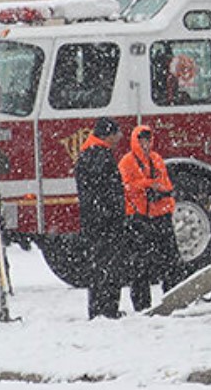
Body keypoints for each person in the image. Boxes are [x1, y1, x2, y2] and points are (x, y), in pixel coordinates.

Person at [117, 124, 178, 312]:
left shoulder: (157, 159)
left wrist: (161, 190)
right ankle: (142, 305)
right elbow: (126, 187)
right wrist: (149, 185)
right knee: (139, 265)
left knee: (170, 261)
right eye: (142, 140)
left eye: (148, 140)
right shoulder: (126, 162)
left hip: (160, 214)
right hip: (139, 217)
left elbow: (166, 183)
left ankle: (172, 297)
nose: (145, 144)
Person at [74, 117, 128, 319]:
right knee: (110, 265)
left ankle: (98, 307)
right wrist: (114, 213)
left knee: (98, 264)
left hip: (93, 220)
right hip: (105, 222)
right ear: (108, 135)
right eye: (117, 133)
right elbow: (107, 191)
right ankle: (107, 309)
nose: (120, 137)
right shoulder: (101, 156)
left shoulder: (87, 153)